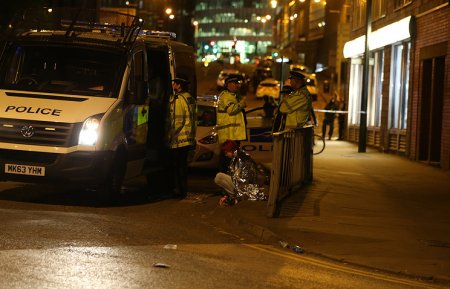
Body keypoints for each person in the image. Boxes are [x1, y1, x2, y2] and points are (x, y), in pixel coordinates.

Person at [165, 76, 196, 198]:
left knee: (177, 167)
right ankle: (183, 190)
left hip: (178, 139)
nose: (173, 86)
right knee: (183, 166)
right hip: (188, 139)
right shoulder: (189, 98)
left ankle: (177, 191)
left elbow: (177, 121)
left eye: (175, 84)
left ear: (179, 86)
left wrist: (169, 136)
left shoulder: (178, 99)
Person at [214, 141, 268, 206]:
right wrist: (226, 195)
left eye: (226, 152)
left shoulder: (241, 158)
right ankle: (234, 197)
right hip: (244, 186)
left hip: (249, 188)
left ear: (231, 150)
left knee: (219, 176)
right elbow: (233, 175)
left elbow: (244, 180)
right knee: (219, 177)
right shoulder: (237, 157)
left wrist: (234, 197)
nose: (226, 155)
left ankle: (236, 197)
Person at [217, 75, 247, 172]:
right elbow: (231, 110)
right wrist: (242, 104)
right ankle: (224, 181)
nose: (237, 85)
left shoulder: (234, 96)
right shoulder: (226, 96)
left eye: (237, 83)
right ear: (227, 85)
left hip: (233, 133)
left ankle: (228, 181)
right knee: (227, 160)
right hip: (229, 134)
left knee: (232, 160)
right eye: (234, 83)